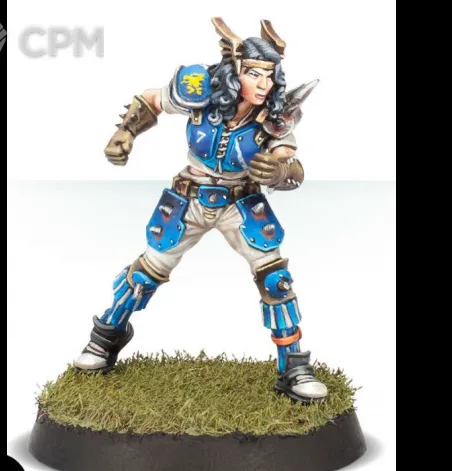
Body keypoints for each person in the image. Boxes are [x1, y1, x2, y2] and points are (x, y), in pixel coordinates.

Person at [74, 18, 328, 404]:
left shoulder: (273, 116)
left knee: (275, 279)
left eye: (269, 75)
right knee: (147, 271)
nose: (263, 84)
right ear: (234, 71)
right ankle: (106, 337)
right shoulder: (202, 93)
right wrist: (125, 133)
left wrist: (280, 171)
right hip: (189, 197)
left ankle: (293, 366)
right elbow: (152, 100)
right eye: (254, 73)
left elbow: (288, 159)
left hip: (240, 202)